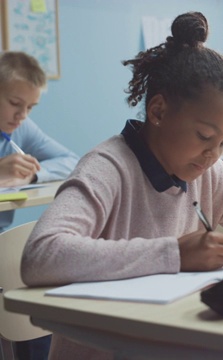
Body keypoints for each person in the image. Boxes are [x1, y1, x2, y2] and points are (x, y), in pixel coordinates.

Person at [20, 12, 223, 360]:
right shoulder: (107, 168)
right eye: (205, 136)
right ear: (158, 111)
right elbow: (42, 255)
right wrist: (174, 254)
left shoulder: (208, 171)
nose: (214, 154)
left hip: (183, 335)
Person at [0, 51, 79, 360]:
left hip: (2, 249)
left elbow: (71, 161)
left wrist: (34, 174)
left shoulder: (20, 128)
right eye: (15, 103)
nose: (22, 115)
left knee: (37, 270)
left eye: (30, 107)